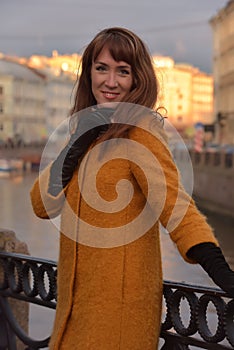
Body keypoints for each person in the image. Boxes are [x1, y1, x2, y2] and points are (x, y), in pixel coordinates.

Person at [30, 27, 234, 350]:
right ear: (89, 74)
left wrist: (223, 274)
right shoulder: (86, 131)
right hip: (74, 309)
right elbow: (42, 206)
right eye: (102, 69)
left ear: (137, 79)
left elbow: (176, 207)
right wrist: (76, 145)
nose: (110, 82)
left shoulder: (141, 134)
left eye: (122, 71)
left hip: (118, 316)